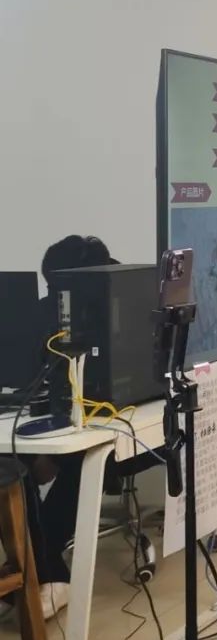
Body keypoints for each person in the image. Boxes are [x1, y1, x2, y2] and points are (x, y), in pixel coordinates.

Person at [21, 236, 117, 619]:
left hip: (117, 426)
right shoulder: (46, 316)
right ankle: (39, 569)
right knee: (13, 464)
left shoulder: (124, 311)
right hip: (57, 418)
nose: (54, 297)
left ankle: (44, 568)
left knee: (84, 459)